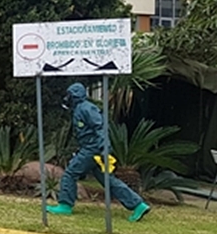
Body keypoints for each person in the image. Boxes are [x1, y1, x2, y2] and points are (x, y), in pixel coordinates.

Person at [47, 83, 152, 222]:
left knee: (70, 173)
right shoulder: (80, 109)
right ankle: (138, 205)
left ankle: (65, 205)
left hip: (93, 149)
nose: (67, 98)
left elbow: (100, 128)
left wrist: (104, 148)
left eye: (69, 95)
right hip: (93, 148)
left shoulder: (86, 108)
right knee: (108, 180)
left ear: (74, 95)